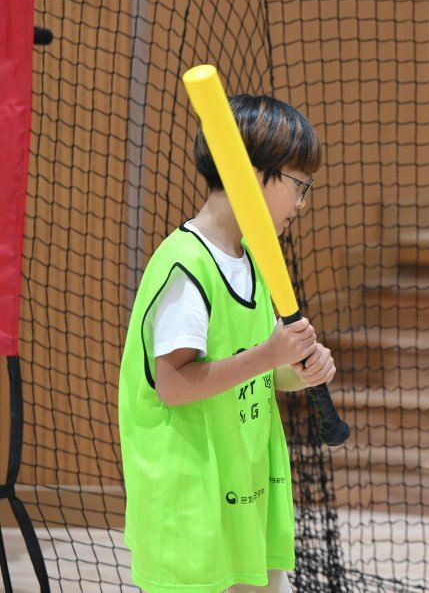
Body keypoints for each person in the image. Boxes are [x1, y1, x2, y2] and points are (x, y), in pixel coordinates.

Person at [118, 94, 336, 593]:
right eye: (299, 186)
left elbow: (254, 367)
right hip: (192, 511)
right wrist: (269, 355)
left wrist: (297, 371)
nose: (301, 205)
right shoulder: (186, 265)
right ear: (255, 174)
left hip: (245, 498)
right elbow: (174, 384)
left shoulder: (255, 261)